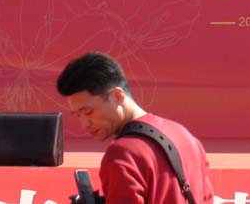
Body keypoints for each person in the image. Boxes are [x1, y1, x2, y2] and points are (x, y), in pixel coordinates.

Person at [56, 52, 213, 204]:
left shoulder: (123, 153)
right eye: (77, 115)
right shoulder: (186, 136)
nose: (84, 124)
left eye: (88, 112)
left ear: (117, 96)